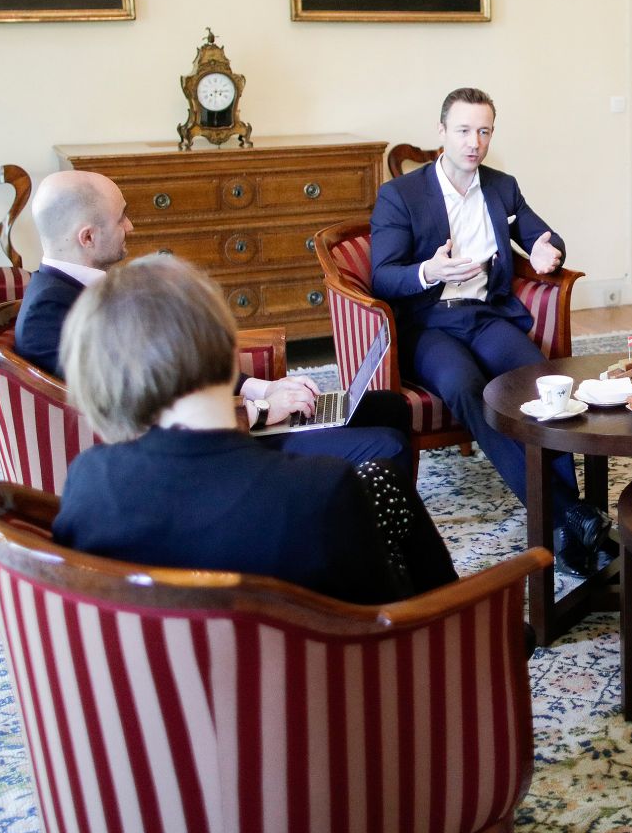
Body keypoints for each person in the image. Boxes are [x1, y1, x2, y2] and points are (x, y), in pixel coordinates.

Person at [52, 255, 456, 605]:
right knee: (382, 482)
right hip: (316, 685)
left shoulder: (88, 480)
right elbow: (384, 624)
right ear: (229, 348)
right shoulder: (318, 490)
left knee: (382, 478)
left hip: (166, 687)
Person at [368, 87, 609, 576]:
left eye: (483, 130)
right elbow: (381, 275)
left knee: (543, 386)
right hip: (431, 323)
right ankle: (568, 517)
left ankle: (567, 526)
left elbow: (543, 235)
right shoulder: (402, 194)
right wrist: (429, 272)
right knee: (465, 387)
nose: (473, 141)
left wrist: (546, 252)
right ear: (441, 133)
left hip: (486, 314)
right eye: (463, 130)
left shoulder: (501, 187)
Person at [17, 170, 412, 467]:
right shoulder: (47, 317)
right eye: (121, 218)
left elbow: (179, 368)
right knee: (386, 445)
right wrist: (258, 413)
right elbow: (138, 407)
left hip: (224, 421)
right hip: (201, 451)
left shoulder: (89, 289)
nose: (131, 227)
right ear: (86, 237)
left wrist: (262, 388)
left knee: (387, 408)